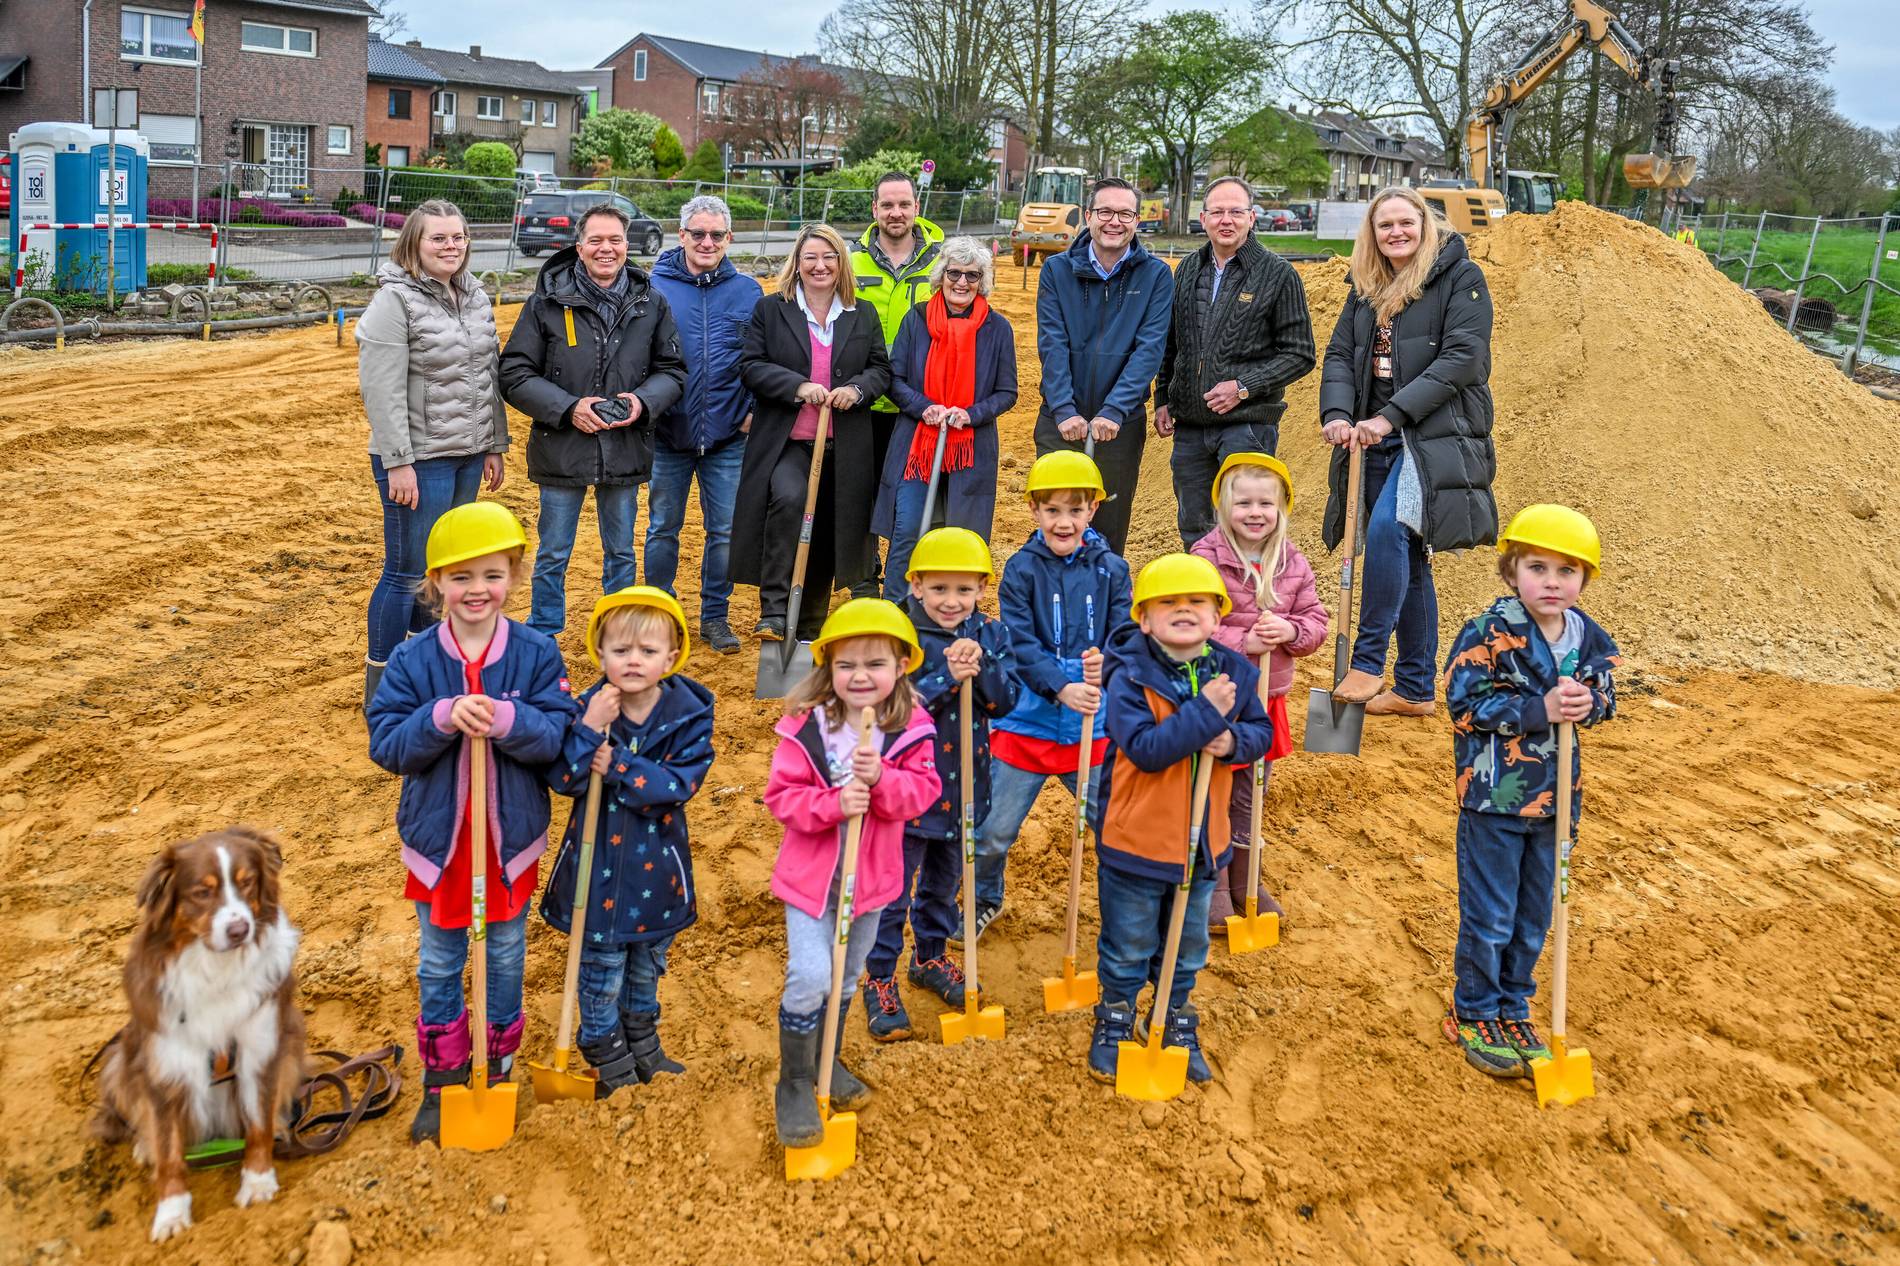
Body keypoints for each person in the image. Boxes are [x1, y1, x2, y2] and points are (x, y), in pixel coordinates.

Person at [364, 502, 577, 1144]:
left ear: (513, 575)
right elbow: (386, 742)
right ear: (436, 585)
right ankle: (443, 1074)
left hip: (507, 843)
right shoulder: (412, 660)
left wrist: (511, 722)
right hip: (441, 845)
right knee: (438, 961)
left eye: (491, 574)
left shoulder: (537, 653)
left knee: (507, 952)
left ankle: (499, 1057)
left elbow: (558, 738)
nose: (476, 590)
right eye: (460, 578)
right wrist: (437, 718)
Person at [1443, 505, 1618, 1079]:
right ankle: (1473, 1011)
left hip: (1556, 803)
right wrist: (1535, 710)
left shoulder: (1587, 638)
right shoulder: (1489, 632)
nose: (1552, 581)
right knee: (1490, 913)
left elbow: (1606, 697)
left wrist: (1592, 704)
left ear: (1583, 580)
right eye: (1537, 567)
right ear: (1512, 570)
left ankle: (1514, 1007)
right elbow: (1464, 707)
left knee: (1535, 914)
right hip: (1494, 800)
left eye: (1567, 571)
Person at [1086, 554, 1273, 1085]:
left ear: (1218, 618)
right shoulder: (1128, 675)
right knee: (1128, 943)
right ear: (1144, 618)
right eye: (1168, 602)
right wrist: (1206, 715)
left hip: (1202, 844)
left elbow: (1258, 733)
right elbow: (1145, 749)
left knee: (1187, 945)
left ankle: (1172, 1017)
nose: (1184, 610)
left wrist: (1234, 739)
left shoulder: (1236, 672)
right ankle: (1116, 1017)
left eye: (1198, 602)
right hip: (1137, 838)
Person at [765, 599, 942, 1146]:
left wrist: (883, 780)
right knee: (811, 974)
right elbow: (781, 798)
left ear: (902, 667)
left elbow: (924, 793)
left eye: (875, 664)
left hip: (872, 883)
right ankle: (794, 1081)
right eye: (847, 665)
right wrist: (835, 803)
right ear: (827, 668)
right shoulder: (806, 727)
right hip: (811, 883)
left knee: (845, 977)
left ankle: (828, 1060)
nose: (860, 676)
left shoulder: (913, 726)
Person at [1319, 185, 1498, 716]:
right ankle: (1417, 687)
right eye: (1384, 225)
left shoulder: (1459, 278)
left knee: (1387, 530)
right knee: (1409, 558)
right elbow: (1339, 354)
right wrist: (1336, 415)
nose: (1396, 232)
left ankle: (1369, 660)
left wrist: (1390, 415)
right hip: (1372, 434)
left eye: (1406, 223)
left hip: (1433, 433)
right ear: (1371, 235)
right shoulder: (1365, 286)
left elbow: (1464, 358)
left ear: (1426, 226)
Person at [541, 586, 715, 1095]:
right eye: (620, 651)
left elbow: (678, 787)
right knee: (600, 967)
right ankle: (602, 1046)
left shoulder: (689, 714)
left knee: (645, 965)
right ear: (600, 654)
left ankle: (643, 1041)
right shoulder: (587, 710)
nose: (633, 661)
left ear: (672, 655)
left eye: (648, 651)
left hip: (657, 869)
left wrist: (617, 765)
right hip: (596, 869)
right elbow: (564, 780)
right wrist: (588, 731)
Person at [859, 529, 1018, 1041]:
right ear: (917, 584)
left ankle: (929, 958)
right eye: (940, 589)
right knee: (891, 892)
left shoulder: (990, 634)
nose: (952, 601)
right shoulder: (896, 637)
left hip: (964, 787)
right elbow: (888, 711)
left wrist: (983, 667)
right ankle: (878, 976)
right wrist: (946, 676)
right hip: (904, 792)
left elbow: (1005, 701)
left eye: (964, 590)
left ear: (980, 589)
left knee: (943, 888)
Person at [500, 203, 687, 639]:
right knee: (553, 551)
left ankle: (618, 627)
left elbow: (673, 370)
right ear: (579, 247)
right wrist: (568, 408)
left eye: (616, 240)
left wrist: (642, 403)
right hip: (562, 444)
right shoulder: (546, 302)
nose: (607, 249)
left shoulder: (650, 302)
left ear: (628, 244)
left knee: (621, 550)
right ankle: (545, 631)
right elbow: (514, 372)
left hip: (624, 445)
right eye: (597, 241)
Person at [971, 452, 1131, 939]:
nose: (1064, 521)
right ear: (1035, 512)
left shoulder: (1113, 569)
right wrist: (1060, 685)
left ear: (1093, 510)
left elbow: (1124, 633)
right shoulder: (1021, 570)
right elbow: (1018, 642)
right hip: (1030, 723)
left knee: (1114, 828)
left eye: (1075, 510)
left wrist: (1110, 662)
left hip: (1093, 726)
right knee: (993, 831)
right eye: (1052, 510)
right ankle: (984, 898)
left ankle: (1123, 911)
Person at [355, 199, 508, 708]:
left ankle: (424, 672)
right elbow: (381, 390)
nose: (451, 246)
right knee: (406, 572)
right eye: (438, 238)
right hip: (419, 460)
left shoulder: (474, 296)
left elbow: (489, 377)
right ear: (414, 245)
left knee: (440, 571)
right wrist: (398, 459)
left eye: (458, 237)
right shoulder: (393, 302)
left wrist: (494, 444)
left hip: (467, 454)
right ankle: (381, 687)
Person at [734, 224, 893, 642]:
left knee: (827, 524)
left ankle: (807, 626)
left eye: (829, 257)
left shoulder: (862, 312)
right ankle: (773, 609)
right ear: (797, 264)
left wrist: (857, 390)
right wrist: (796, 386)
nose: (820, 266)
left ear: (841, 262)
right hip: (787, 441)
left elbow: (881, 369)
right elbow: (750, 365)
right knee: (788, 500)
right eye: (811, 258)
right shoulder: (772, 310)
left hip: (844, 443)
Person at [1189, 453, 1328, 931]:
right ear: (1224, 507)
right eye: (1243, 502)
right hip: (1221, 697)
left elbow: (1316, 622)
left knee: (1252, 793)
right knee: (1214, 790)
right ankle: (1211, 882)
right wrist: (1240, 642)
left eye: (1265, 503)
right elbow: (1190, 626)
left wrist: (1290, 632)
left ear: (1282, 508)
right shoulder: (1205, 558)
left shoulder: (1292, 561)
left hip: (1267, 701)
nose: (1254, 512)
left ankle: (1247, 879)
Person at [1154, 176, 1316, 548]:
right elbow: (1171, 343)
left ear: (1252, 217)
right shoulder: (1188, 271)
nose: (1226, 220)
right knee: (1195, 530)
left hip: (1246, 427)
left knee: (1247, 529)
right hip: (1191, 427)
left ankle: (1250, 603)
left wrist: (1244, 388)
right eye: (1218, 212)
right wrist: (1162, 396)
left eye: (1236, 212)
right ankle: (1206, 602)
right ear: (1203, 217)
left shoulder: (1278, 275)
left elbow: (1300, 353)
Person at [645, 195, 762, 655]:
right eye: (698, 233)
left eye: (716, 234)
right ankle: (660, 612)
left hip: (727, 433)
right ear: (683, 236)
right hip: (668, 433)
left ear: (729, 239)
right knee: (662, 528)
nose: (707, 241)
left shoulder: (748, 291)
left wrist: (751, 409)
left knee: (725, 531)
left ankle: (715, 616)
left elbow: (758, 357)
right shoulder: (653, 287)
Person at [872, 235, 1018, 599]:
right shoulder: (916, 319)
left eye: (972, 275)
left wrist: (971, 414)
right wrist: (925, 408)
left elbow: (1007, 392)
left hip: (971, 447)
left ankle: (951, 621)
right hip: (917, 443)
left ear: (983, 281)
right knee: (908, 529)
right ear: (941, 276)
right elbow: (895, 379)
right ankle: (895, 610)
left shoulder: (997, 328)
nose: (962, 282)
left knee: (960, 536)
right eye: (955, 273)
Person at [1034, 176, 1174, 554]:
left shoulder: (1157, 276)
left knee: (1108, 529)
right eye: (1106, 212)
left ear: (1137, 221)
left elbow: (1149, 349)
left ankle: (1103, 606)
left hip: (1119, 424)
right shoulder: (1057, 270)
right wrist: (1063, 408)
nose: (1115, 221)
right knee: (1058, 523)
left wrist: (1114, 409)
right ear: (1089, 216)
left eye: (1125, 213)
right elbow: (1053, 342)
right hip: (1060, 420)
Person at [849, 172, 943, 598]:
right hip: (863, 402)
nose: (896, 213)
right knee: (860, 493)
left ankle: (906, 576)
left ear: (916, 208)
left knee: (909, 496)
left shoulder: (942, 263)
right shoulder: (851, 262)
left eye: (903, 204)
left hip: (916, 402)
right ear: (875, 210)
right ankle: (865, 577)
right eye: (887, 205)